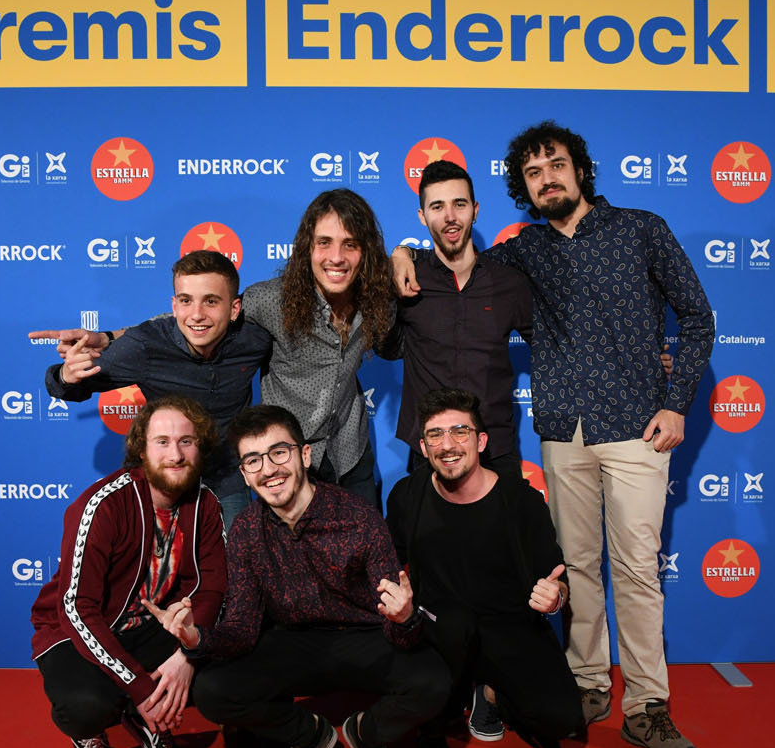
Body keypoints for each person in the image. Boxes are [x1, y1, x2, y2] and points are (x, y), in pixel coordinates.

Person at [393, 121, 713, 748]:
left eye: (557, 166)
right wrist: (401, 250)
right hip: (564, 431)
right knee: (574, 567)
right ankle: (588, 681)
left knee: (637, 569)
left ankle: (647, 705)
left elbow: (698, 317)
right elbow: (454, 259)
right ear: (523, 188)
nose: (548, 179)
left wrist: (677, 402)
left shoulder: (641, 229)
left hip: (637, 427)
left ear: (580, 170)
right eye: (534, 173)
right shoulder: (524, 253)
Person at [149, 404, 449, 748]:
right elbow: (241, 630)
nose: (269, 469)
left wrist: (405, 617)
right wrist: (196, 639)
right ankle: (309, 736)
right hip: (291, 642)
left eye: (279, 452)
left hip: (363, 638)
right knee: (213, 690)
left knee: (433, 680)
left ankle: (366, 734)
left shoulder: (359, 516)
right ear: (245, 474)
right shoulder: (246, 530)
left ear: (304, 455)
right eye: (253, 460)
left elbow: (399, 628)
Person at [385, 388, 585, 748]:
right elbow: (392, 564)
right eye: (435, 435)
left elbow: (557, 578)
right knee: (448, 630)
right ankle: (433, 731)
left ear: (481, 441)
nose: (448, 445)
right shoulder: (407, 496)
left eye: (460, 431)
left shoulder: (521, 501)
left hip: (508, 626)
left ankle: (487, 692)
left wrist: (556, 598)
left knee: (560, 722)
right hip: (441, 630)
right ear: (423, 448)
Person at [29, 395, 226, 748]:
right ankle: (94, 732)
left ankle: (145, 718)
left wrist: (188, 653)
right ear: (141, 449)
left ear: (200, 447)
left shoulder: (205, 503)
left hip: (150, 627)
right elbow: (77, 607)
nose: (176, 454)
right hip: (77, 630)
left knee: (223, 678)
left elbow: (211, 588)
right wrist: (141, 687)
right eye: (162, 442)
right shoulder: (102, 505)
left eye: (186, 441)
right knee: (86, 706)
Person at [29, 250, 270, 528]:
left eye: (211, 301)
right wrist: (67, 375)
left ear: (234, 309)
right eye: (186, 301)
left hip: (228, 484)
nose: (197, 315)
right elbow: (68, 386)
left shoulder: (255, 341)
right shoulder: (146, 345)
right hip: (164, 485)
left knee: (235, 557)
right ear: (174, 306)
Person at [239, 189, 397, 509]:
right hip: (288, 461)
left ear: (365, 251)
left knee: (366, 541)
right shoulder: (270, 300)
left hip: (350, 453)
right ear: (307, 247)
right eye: (324, 242)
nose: (336, 257)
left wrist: (406, 253)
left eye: (350, 244)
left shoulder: (377, 299)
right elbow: (203, 318)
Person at [376, 161, 531, 478]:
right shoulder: (407, 279)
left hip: (495, 446)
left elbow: (553, 345)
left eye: (459, 204)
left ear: (475, 210)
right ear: (422, 216)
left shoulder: (509, 283)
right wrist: (395, 266)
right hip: (430, 449)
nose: (449, 216)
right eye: (437, 206)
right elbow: (386, 349)